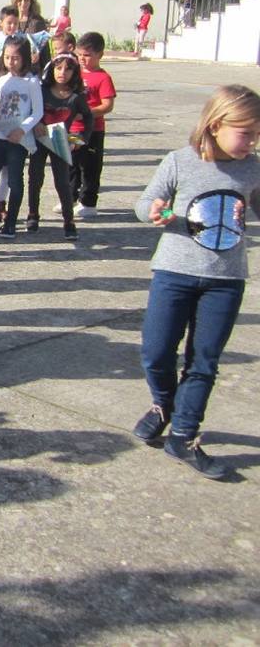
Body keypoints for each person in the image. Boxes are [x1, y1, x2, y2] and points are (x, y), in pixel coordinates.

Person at [131, 85, 260, 480]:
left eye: (257, 134)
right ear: (216, 125)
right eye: (246, 133)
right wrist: (152, 211)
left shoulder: (253, 169)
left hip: (226, 279)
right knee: (156, 352)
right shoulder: (180, 161)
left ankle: (183, 435)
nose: (252, 142)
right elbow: (144, 203)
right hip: (174, 271)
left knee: (203, 361)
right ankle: (164, 405)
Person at [0, 35, 43, 239]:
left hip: (17, 139)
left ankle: (10, 222)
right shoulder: (2, 80)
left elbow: (37, 112)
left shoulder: (31, 82)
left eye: (15, 58)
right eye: (6, 57)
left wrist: (22, 130)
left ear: (24, 58)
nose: (10, 62)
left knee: (15, 180)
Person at [24, 54, 93, 240]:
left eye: (68, 69)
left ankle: (69, 221)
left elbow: (89, 118)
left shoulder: (76, 97)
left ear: (75, 73)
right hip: (40, 140)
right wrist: (36, 122)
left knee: (62, 182)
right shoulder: (42, 91)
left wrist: (78, 140)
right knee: (35, 178)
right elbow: (30, 110)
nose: (63, 73)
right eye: (58, 68)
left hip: (61, 140)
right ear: (51, 69)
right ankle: (33, 214)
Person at [68, 32, 116, 219]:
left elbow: (107, 105)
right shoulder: (74, 73)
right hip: (74, 129)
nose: (82, 59)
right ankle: (69, 198)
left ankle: (88, 202)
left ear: (100, 55)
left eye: (87, 55)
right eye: (79, 54)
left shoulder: (103, 78)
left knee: (90, 167)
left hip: (93, 131)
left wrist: (87, 113)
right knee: (72, 164)